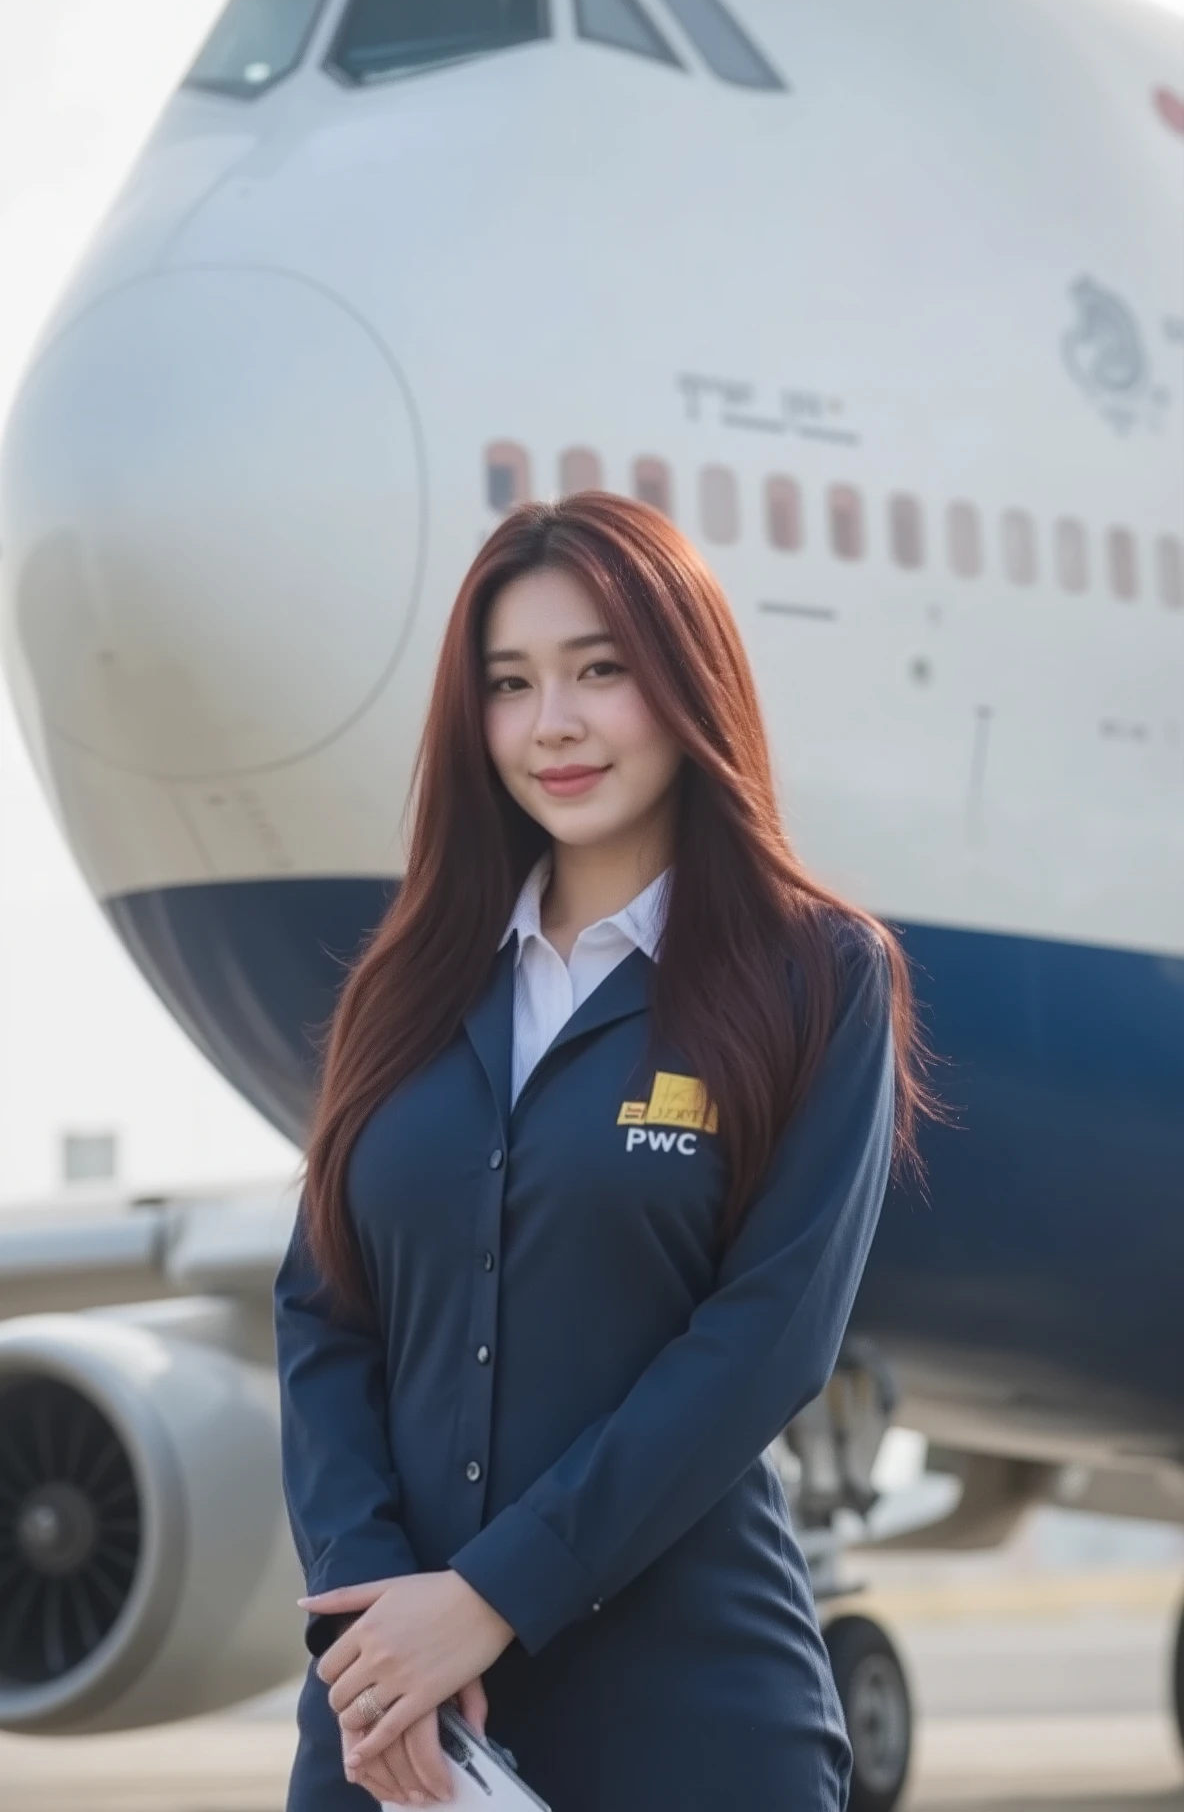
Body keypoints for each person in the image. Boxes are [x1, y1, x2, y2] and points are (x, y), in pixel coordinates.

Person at [273, 492, 929, 1812]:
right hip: (396, 1731)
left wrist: (491, 1596)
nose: (552, 725)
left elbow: (767, 1342)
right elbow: (323, 1315)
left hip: (692, 1721)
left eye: (600, 671)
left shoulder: (816, 977)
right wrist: (374, 1620)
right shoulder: (403, 987)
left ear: (687, 682)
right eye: (510, 686)